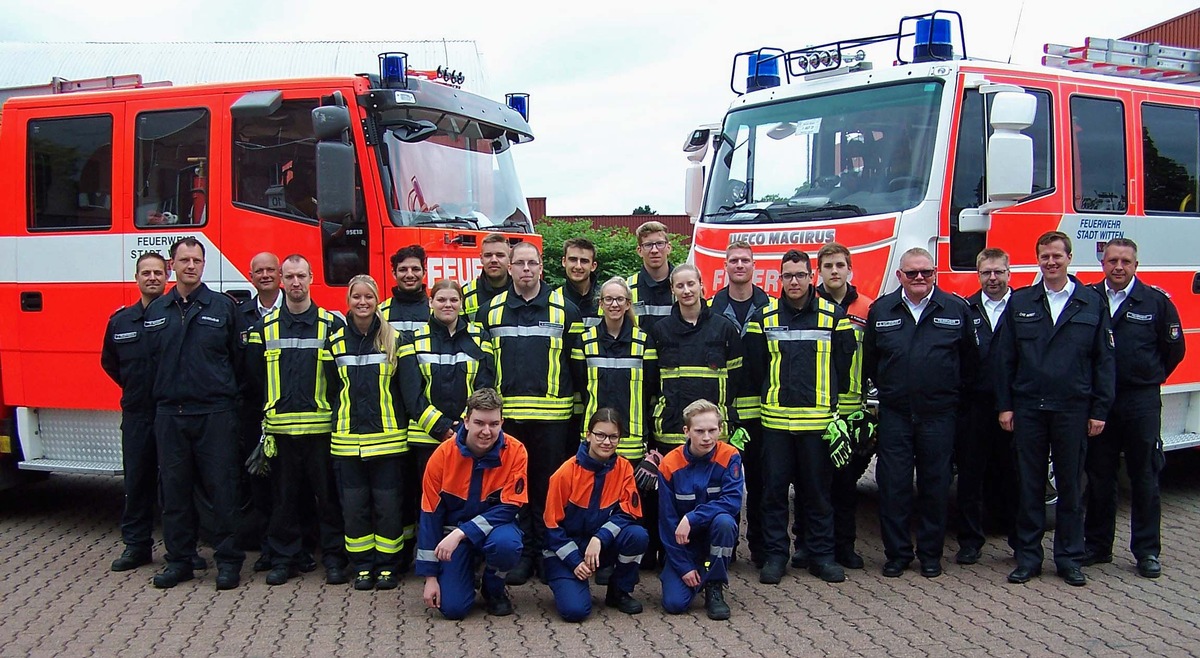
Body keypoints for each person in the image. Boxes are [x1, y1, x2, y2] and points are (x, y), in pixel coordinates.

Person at [996, 231, 1115, 587]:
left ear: (1069, 258)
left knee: (1071, 488)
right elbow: (1005, 359)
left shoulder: (1090, 302)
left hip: (1072, 409)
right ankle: (1029, 558)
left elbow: (1104, 361)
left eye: (1057, 257)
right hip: (1030, 406)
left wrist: (1100, 409)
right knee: (1030, 487)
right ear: (1037, 260)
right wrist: (1005, 406)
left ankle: (1069, 558)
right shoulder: (1021, 301)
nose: (1051, 262)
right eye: (1045, 256)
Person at [324, 275, 450, 591]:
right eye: (357, 297)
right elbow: (330, 390)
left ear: (377, 300)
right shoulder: (336, 342)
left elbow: (408, 392)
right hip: (347, 442)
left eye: (368, 297)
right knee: (354, 509)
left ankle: (388, 567)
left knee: (388, 508)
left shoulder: (396, 340)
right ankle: (363, 566)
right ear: (348, 301)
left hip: (389, 441)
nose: (363, 302)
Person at [864, 247, 977, 579]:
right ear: (899, 276)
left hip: (939, 414)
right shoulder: (882, 310)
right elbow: (872, 361)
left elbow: (969, 362)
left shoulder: (956, 309)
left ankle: (930, 554)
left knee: (935, 486)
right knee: (893, 485)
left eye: (926, 272)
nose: (919, 278)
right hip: (896, 414)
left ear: (935, 273)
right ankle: (897, 554)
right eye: (911, 273)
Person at [745, 249, 856, 585]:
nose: (794, 281)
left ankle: (822, 556)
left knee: (818, 495)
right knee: (773, 494)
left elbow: (844, 366)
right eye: (787, 275)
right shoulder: (762, 319)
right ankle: (777, 556)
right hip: (775, 426)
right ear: (780, 279)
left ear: (812, 277)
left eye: (800, 275)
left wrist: (836, 413)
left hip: (817, 426)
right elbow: (754, 371)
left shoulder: (834, 317)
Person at [143, 238, 246, 590]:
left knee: (223, 491)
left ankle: (229, 562)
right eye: (184, 260)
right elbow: (147, 363)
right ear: (172, 266)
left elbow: (239, 362)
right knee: (174, 493)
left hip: (215, 413)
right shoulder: (156, 311)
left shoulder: (223, 307)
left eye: (197, 260)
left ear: (204, 265)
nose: (191, 266)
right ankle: (180, 561)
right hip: (171, 414)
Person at [479, 241, 584, 584]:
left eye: (532, 263)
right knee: (515, 489)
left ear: (542, 268)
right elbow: (482, 370)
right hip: (509, 423)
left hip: (553, 421)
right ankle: (523, 554)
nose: (526, 269)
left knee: (548, 489)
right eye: (519, 263)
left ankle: (547, 552)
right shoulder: (489, 312)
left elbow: (578, 368)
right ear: (509, 269)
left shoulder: (565, 310)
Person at [244, 254, 349, 586]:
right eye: (288, 277)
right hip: (281, 433)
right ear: (280, 281)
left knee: (328, 499)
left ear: (312, 277)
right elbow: (254, 377)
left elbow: (338, 379)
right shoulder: (263, 328)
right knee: (283, 500)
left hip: (321, 431)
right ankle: (284, 558)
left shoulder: (331, 326)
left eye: (301, 276)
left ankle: (334, 558)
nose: (295, 283)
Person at [1085, 238, 1184, 579]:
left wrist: (1146, 377)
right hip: (1100, 401)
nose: (1118, 267)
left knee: (1144, 476)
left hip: (1139, 400)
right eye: (1112, 261)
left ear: (1135, 265)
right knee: (1099, 475)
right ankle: (1098, 546)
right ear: (1103, 264)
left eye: (1125, 261)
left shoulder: (1155, 301)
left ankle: (1146, 552)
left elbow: (1174, 350)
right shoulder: (1088, 299)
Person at [570, 276, 659, 580]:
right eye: (608, 299)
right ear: (600, 304)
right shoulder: (585, 340)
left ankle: (623, 566)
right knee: (596, 502)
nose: (614, 304)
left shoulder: (643, 341)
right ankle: (599, 560)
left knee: (627, 506)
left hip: (631, 439)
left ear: (628, 304)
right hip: (595, 441)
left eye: (620, 299)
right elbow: (580, 387)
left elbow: (651, 389)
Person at [418, 389, 527, 619]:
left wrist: (462, 532)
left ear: (501, 423)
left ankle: (493, 588)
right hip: (453, 537)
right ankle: (465, 571)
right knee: (453, 610)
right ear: (466, 421)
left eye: (494, 424)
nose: (486, 431)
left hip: (494, 531)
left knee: (508, 544)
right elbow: (429, 515)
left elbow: (510, 506)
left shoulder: (516, 451)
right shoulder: (442, 456)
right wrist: (430, 578)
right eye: (479, 423)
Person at [802, 241, 875, 571]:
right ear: (819, 271)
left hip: (851, 410)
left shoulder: (867, 308)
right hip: (817, 411)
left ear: (850, 270)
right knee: (811, 483)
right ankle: (805, 545)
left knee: (846, 485)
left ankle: (845, 546)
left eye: (840, 266)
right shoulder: (807, 305)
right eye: (828, 266)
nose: (834, 271)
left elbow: (874, 358)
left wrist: (870, 406)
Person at [543, 408, 649, 621]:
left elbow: (629, 511)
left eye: (613, 437)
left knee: (638, 535)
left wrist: (599, 538)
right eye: (600, 435)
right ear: (588, 434)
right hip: (565, 551)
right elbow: (551, 527)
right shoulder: (565, 473)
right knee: (575, 612)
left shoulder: (623, 468)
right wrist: (574, 561)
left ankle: (619, 591)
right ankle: (565, 581)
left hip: (598, 547)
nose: (607, 442)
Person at [101, 252, 167, 572]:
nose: (152, 277)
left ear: (167, 276)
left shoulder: (176, 316)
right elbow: (110, 363)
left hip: (171, 412)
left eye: (157, 272)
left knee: (174, 485)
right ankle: (136, 546)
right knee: (137, 483)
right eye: (146, 272)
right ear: (136, 278)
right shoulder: (120, 321)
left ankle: (180, 548)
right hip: (138, 413)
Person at [708, 241, 770, 568]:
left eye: (745, 260)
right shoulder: (711, 310)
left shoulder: (770, 307)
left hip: (760, 414)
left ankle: (760, 548)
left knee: (760, 484)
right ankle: (725, 547)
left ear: (753, 265)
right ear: (726, 266)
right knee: (723, 484)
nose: (740, 265)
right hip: (724, 414)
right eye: (734, 260)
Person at [955, 248, 1018, 565]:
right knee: (969, 478)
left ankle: (1021, 542)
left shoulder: (1024, 308)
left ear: (1009, 272)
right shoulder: (966, 309)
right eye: (986, 272)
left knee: (1015, 476)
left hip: (1015, 408)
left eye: (998, 271)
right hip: (975, 407)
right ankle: (969, 542)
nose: (992, 278)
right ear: (978, 275)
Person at [658, 399, 743, 621]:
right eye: (699, 431)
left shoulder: (730, 455)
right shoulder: (669, 464)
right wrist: (684, 567)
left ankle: (714, 585)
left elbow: (732, 502)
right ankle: (695, 572)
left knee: (725, 522)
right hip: (683, 546)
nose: (707, 437)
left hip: (714, 537)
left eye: (712, 430)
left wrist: (692, 517)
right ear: (686, 431)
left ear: (720, 429)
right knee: (674, 605)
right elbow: (667, 522)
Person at [649, 264, 743, 449]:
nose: (686, 291)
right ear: (672, 289)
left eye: (691, 284)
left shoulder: (724, 328)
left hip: (714, 434)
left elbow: (737, 381)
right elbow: (650, 382)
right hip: (671, 433)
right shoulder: (660, 331)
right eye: (680, 286)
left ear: (701, 285)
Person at [237, 252, 286, 573]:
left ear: (280, 274)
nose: (265, 275)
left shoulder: (302, 310)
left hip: (291, 416)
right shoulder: (239, 315)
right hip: (254, 413)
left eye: (270, 270)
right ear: (251, 276)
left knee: (290, 486)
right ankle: (268, 548)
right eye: (259, 271)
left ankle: (295, 547)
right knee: (261, 486)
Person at [628, 221, 675, 333]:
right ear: (639, 251)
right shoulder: (628, 288)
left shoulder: (684, 285)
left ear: (669, 247)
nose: (654, 250)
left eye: (659, 243)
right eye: (648, 245)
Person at [380, 244, 431, 341]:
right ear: (394, 274)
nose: (409, 275)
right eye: (403, 270)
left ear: (424, 273)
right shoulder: (380, 312)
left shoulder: (436, 311)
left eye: (415, 269)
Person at [462, 233, 512, 321]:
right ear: (481, 258)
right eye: (488, 255)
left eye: (500, 255)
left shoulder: (521, 292)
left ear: (509, 259)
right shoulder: (466, 294)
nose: (494, 260)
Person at [558, 237, 602, 328]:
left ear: (593, 266)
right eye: (573, 260)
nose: (578, 266)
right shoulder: (554, 299)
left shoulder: (606, 299)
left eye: (584, 261)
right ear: (564, 262)